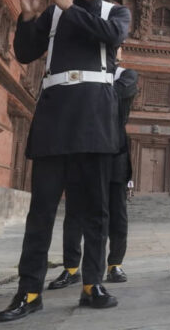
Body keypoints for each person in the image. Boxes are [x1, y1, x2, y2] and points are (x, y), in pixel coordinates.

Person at [0, 0, 130, 322]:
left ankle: (92, 284)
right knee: (41, 211)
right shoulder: (53, 12)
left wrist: (69, 8)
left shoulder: (117, 12)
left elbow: (111, 38)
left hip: (95, 118)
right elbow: (25, 53)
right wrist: (28, 16)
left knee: (96, 211)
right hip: (55, 117)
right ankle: (29, 290)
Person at [48, 50, 138, 290]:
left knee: (117, 213)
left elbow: (115, 95)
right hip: (82, 145)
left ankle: (114, 264)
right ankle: (71, 268)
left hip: (114, 149)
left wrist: (85, 86)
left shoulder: (126, 75)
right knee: (75, 211)